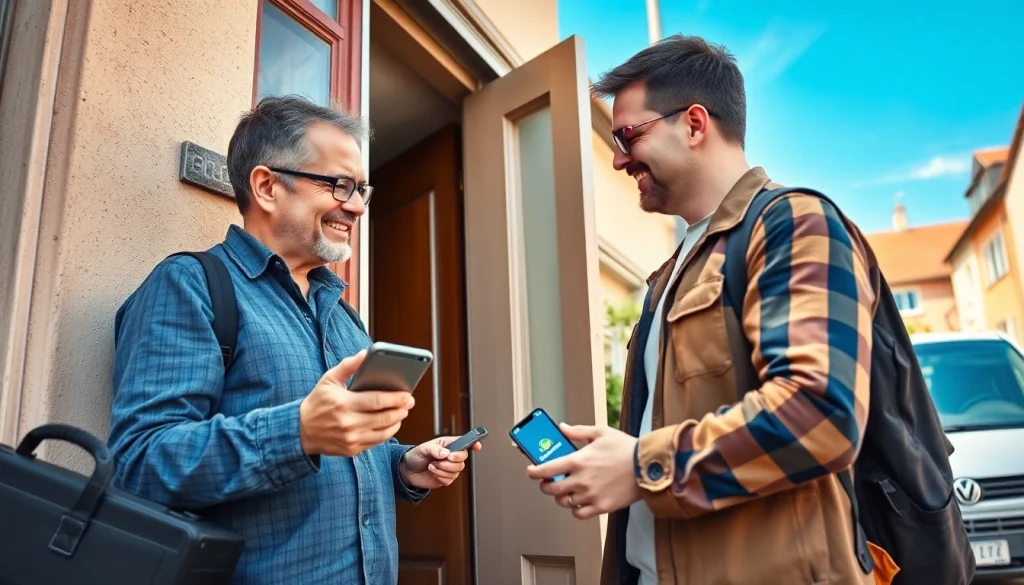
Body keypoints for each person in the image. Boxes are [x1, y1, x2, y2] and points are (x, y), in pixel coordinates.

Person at [526, 35, 878, 585]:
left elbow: (821, 412)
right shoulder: (673, 270)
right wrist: (618, 456)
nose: (618, 158)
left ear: (693, 124)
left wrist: (642, 467)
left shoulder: (793, 224)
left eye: (627, 135)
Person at [107, 95, 479, 585]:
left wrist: (404, 466)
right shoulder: (191, 286)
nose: (357, 206)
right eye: (340, 185)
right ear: (266, 187)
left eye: (363, 190)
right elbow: (140, 462)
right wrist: (297, 432)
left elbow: (346, 459)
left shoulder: (347, 318)